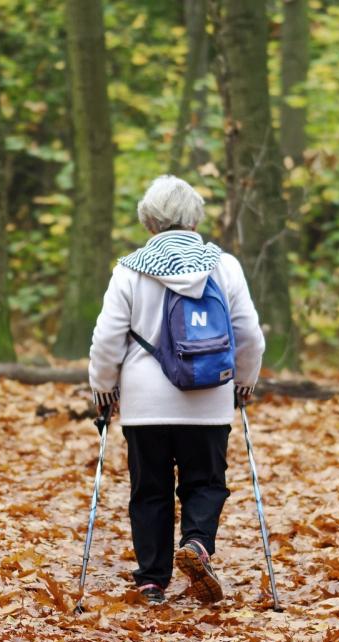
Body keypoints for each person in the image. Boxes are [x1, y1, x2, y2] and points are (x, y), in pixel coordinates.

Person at [88, 175, 266, 605]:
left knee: (149, 490)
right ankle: (198, 544)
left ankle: (151, 581)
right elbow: (249, 335)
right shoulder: (224, 266)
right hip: (208, 398)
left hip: (145, 405)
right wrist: (244, 382)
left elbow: (107, 338)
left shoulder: (130, 269)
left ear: (149, 222)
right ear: (195, 218)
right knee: (205, 483)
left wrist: (103, 390)